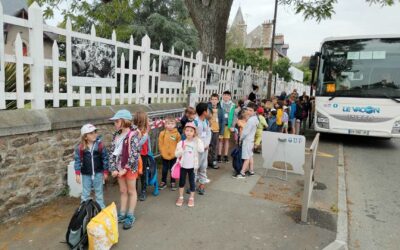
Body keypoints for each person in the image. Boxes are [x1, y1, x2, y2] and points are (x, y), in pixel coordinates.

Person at [109, 109, 141, 230]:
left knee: (131, 191)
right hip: (119, 167)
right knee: (123, 190)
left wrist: (125, 169)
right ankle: (122, 213)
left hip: (130, 168)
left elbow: (135, 154)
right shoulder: (116, 135)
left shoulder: (133, 135)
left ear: (124, 121)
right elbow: (112, 152)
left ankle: (130, 215)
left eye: (117, 121)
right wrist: (113, 168)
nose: (115, 124)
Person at [74, 124, 109, 209]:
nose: (94, 134)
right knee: (85, 193)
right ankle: (83, 210)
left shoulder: (100, 145)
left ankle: (101, 209)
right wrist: (77, 173)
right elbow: (77, 161)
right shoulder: (80, 148)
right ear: (85, 137)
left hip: (98, 173)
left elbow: (105, 159)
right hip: (86, 174)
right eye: (91, 133)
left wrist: (105, 172)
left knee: (99, 193)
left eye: (95, 132)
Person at [175, 122, 205, 207]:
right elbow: (176, 154)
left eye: (191, 131)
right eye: (187, 130)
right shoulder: (181, 143)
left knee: (192, 182)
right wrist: (182, 150)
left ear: (194, 133)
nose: (189, 132)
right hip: (183, 166)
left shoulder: (196, 142)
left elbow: (201, 150)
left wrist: (198, 139)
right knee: (181, 182)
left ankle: (191, 198)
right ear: (184, 131)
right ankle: (181, 197)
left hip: (192, 167)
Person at [234, 102, 259, 178]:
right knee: (250, 156)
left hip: (247, 141)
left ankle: (242, 173)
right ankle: (251, 171)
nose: (248, 112)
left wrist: (241, 138)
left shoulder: (251, 120)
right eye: (248, 110)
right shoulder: (255, 119)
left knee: (246, 157)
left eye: (251, 110)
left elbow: (245, 132)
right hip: (251, 140)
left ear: (255, 111)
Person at [158, 116, 181, 190]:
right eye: (168, 123)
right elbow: (160, 143)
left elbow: (179, 144)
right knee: (164, 169)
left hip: (174, 155)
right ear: (165, 125)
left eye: (172, 123)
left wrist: (178, 153)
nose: (170, 125)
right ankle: (163, 181)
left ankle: (173, 181)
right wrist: (162, 152)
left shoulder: (177, 134)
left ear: (175, 124)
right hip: (164, 155)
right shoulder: (162, 133)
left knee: (172, 169)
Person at [194, 102, 212, 195]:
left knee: (203, 166)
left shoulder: (206, 121)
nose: (209, 111)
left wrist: (207, 144)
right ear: (204, 112)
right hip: (197, 149)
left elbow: (209, 133)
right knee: (194, 167)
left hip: (205, 149)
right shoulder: (195, 122)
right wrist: (200, 146)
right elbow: (194, 136)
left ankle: (201, 185)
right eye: (208, 110)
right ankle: (193, 186)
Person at [135, 111, 151, 201]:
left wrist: (150, 152)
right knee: (136, 172)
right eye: (147, 118)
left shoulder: (146, 129)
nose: (148, 120)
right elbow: (138, 143)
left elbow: (147, 141)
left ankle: (143, 190)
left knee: (143, 172)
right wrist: (144, 135)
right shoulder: (135, 131)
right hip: (136, 155)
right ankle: (135, 191)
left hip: (144, 154)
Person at [207, 93, 224, 169]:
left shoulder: (220, 110)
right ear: (210, 100)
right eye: (212, 99)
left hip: (216, 130)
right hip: (209, 130)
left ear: (218, 100)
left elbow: (222, 121)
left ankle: (213, 161)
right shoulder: (207, 108)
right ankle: (206, 161)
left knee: (214, 147)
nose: (214, 101)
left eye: (215, 99)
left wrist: (221, 133)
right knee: (207, 146)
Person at [218, 91, 236, 163]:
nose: (226, 96)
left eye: (227, 95)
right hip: (220, 124)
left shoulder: (233, 105)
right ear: (222, 96)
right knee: (220, 140)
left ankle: (225, 155)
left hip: (228, 125)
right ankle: (219, 155)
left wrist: (232, 125)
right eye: (224, 95)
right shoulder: (219, 104)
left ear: (230, 97)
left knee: (226, 140)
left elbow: (234, 116)